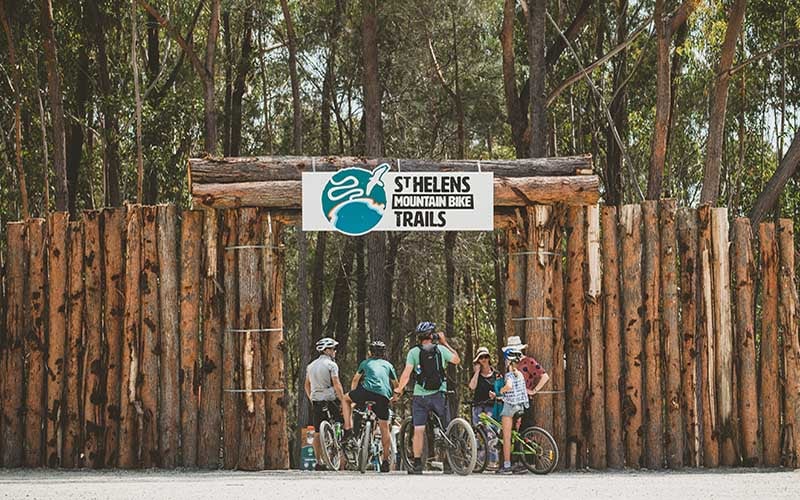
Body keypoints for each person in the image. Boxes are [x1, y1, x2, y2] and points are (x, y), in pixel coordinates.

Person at [394, 321, 461, 475]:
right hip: (439, 394)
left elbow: (406, 374)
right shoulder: (441, 350)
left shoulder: (413, 353)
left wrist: (399, 389)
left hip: (420, 395)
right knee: (445, 428)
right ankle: (448, 463)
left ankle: (417, 464)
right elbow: (457, 360)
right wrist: (445, 342)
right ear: (432, 335)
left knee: (419, 430)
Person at [342, 340, 398, 473]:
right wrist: (395, 398)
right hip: (383, 395)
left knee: (345, 399)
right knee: (384, 427)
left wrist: (354, 396)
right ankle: (385, 460)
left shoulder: (365, 363)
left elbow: (355, 379)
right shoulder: (389, 365)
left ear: (370, 353)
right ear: (383, 354)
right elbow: (396, 385)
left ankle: (348, 430)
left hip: (366, 392)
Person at [305, 337, 346, 471]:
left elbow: (307, 385)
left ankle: (319, 461)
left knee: (317, 431)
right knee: (343, 420)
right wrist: (342, 400)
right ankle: (344, 452)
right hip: (330, 398)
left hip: (316, 399)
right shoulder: (331, 365)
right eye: (333, 349)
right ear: (327, 350)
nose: (335, 351)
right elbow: (337, 384)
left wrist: (312, 398)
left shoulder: (310, 366)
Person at [501, 336, 550, 429]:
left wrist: (533, 390)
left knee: (525, 429)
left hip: (524, 401)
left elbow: (544, 376)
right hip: (511, 401)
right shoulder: (510, 364)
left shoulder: (528, 362)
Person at [496, 348, 529, 475]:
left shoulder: (509, 375)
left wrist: (502, 391)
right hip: (520, 407)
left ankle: (507, 465)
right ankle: (517, 462)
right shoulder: (520, 374)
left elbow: (509, 386)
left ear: (508, 362)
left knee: (507, 437)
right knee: (515, 435)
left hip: (510, 407)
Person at [468, 346, 499, 425]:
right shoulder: (476, 374)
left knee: (490, 432)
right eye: (481, 357)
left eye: (486, 357)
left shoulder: (496, 374)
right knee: (479, 432)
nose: (484, 359)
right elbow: (472, 387)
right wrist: (477, 371)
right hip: (478, 407)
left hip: (491, 407)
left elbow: (501, 391)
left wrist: (495, 395)